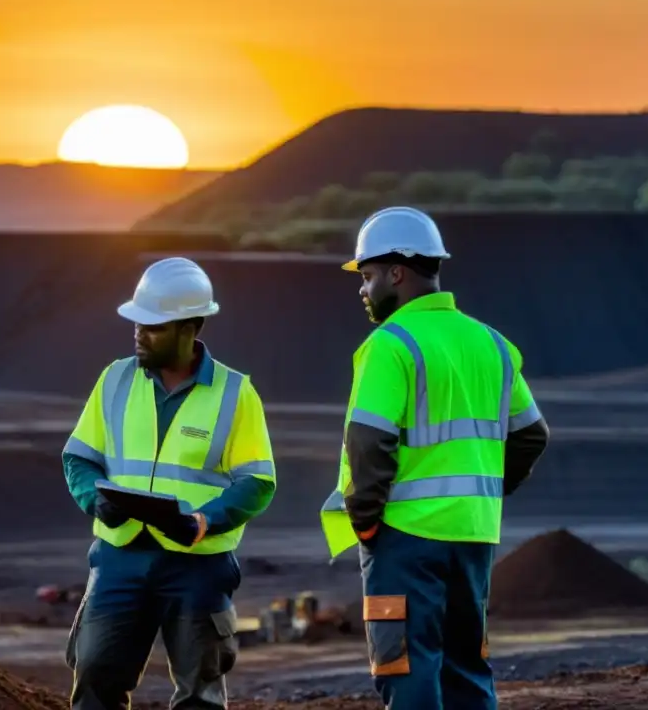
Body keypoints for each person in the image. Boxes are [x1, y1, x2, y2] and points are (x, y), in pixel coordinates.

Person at [319, 207, 550, 710]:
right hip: (473, 536)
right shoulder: (491, 343)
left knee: (407, 669)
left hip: (404, 538)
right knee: (467, 667)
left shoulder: (391, 343)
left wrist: (364, 521)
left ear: (396, 273)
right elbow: (532, 435)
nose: (363, 289)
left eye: (368, 275)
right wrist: (484, 490)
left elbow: (368, 442)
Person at [62, 256, 277, 710]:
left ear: (190, 328)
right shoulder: (115, 379)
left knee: (199, 691)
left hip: (197, 564)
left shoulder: (236, 394)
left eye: (153, 326)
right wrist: (95, 501)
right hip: (120, 556)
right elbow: (79, 457)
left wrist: (205, 520)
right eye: (138, 322)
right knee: (96, 675)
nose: (139, 332)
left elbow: (257, 482)